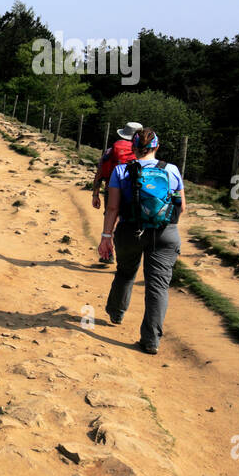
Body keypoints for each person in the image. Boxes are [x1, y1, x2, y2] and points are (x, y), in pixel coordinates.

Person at [98, 128, 185, 354]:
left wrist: (106, 236)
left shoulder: (121, 170)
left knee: (126, 272)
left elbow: (113, 208)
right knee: (158, 286)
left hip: (130, 231)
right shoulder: (172, 170)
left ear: (133, 148)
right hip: (165, 233)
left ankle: (116, 313)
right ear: (156, 147)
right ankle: (151, 340)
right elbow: (181, 207)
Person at [91, 121, 142, 209]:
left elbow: (99, 174)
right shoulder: (141, 154)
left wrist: (95, 195)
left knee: (110, 218)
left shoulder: (110, 151)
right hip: (133, 193)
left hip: (111, 190)